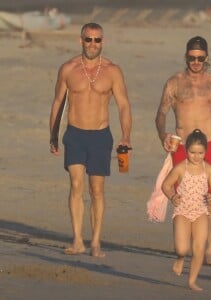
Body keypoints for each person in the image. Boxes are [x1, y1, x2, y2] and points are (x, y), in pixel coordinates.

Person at [49, 23, 132, 257]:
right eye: (88, 39)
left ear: (102, 42)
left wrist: (126, 136)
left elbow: (124, 105)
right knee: (76, 185)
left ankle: (95, 241)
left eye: (97, 40)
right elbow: (58, 102)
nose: (92, 44)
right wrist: (53, 134)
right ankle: (77, 240)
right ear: (81, 40)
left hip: (100, 135)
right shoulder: (68, 69)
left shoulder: (113, 71)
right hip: (74, 134)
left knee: (97, 190)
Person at [155, 35, 211, 266]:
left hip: (210, 145)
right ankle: (184, 243)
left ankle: (209, 250)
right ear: (186, 57)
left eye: (200, 58)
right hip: (182, 146)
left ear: (206, 57)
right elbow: (160, 113)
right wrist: (163, 135)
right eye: (192, 57)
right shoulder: (174, 83)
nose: (196, 62)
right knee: (181, 197)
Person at [162, 129, 211, 291]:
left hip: (201, 211)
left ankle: (192, 281)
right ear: (186, 150)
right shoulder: (181, 168)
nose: (196, 156)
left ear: (205, 152)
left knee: (199, 247)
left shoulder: (208, 169)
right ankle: (180, 258)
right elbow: (166, 185)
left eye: (200, 153)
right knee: (182, 248)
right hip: (182, 211)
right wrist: (172, 196)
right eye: (192, 152)